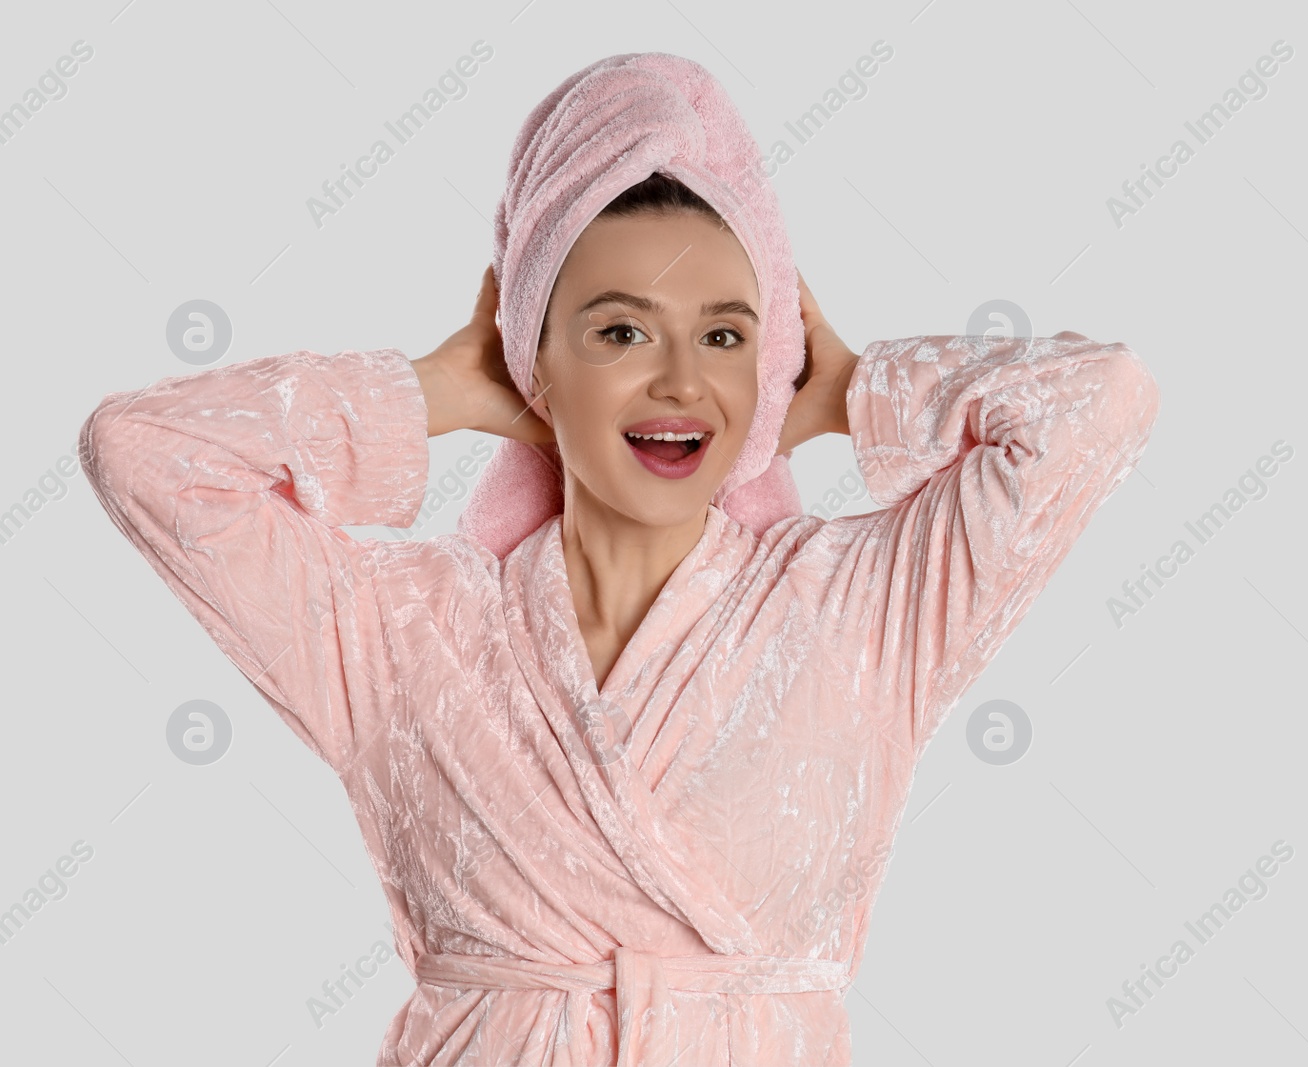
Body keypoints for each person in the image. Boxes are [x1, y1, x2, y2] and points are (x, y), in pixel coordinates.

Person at [77, 53, 1161, 1067]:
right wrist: (429, 393)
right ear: (533, 361)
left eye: (727, 336)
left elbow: (1099, 401)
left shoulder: (862, 608)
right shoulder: (402, 632)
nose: (684, 382)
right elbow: (146, 454)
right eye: (620, 332)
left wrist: (852, 390)